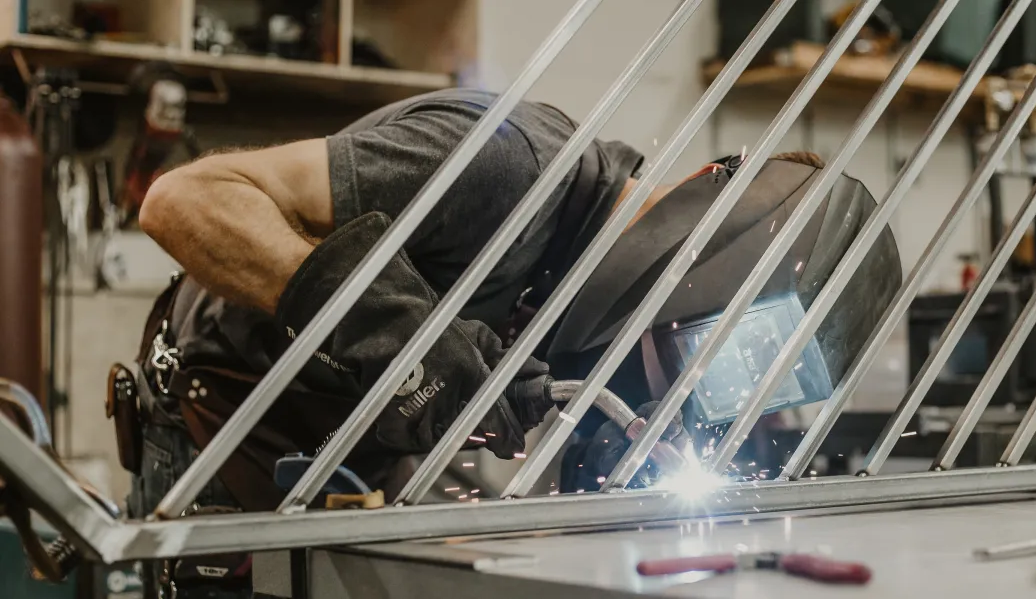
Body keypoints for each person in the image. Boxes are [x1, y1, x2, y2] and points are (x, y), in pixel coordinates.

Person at [127, 87, 900, 596]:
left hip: (340, 477)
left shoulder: (599, 320)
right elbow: (185, 200)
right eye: (701, 347)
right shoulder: (509, 168)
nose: (675, 386)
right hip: (217, 446)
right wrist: (396, 334)